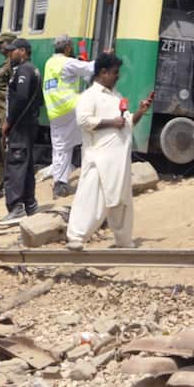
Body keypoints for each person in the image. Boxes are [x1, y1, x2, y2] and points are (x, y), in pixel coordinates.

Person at [65, 54, 153, 250]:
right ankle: (76, 237)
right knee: (91, 198)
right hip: (99, 159)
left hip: (119, 161)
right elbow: (84, 121)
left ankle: (123, 242)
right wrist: (111, 123)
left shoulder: (116, 96)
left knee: (121, 202)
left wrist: (140, 111)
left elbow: (127, 122)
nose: (117, 76)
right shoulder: (90, 96)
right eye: (115, 73)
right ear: (103, 73)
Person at [43, 35, 96, 198]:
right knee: (90, 135)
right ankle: (94, 173)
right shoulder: (68, 63)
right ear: (67, 48)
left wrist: (77, 62)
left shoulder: (50, 63)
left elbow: (66, 76)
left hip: (55, 112)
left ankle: (60, 183)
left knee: (61, 148)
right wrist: (105, 57)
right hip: (73, 107)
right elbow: (89, 70)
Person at [0, 39, 43, 226]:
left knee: (16, 165)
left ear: (23, 51)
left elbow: (21, 97)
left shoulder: (24, 70)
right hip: (29, 124)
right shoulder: (32, 70)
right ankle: (30, 204)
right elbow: (38, 100)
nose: (10, 55)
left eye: (13, 51)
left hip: (20, 125)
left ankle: (16, 207)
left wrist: (9, 121)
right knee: (25, 164)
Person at [0, 32, 18, 197]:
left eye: (1, 44)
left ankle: (7, 183)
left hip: (4, 115)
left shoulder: (12, 66)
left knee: (3, 149)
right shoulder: (6, 64)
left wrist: (8, 116)